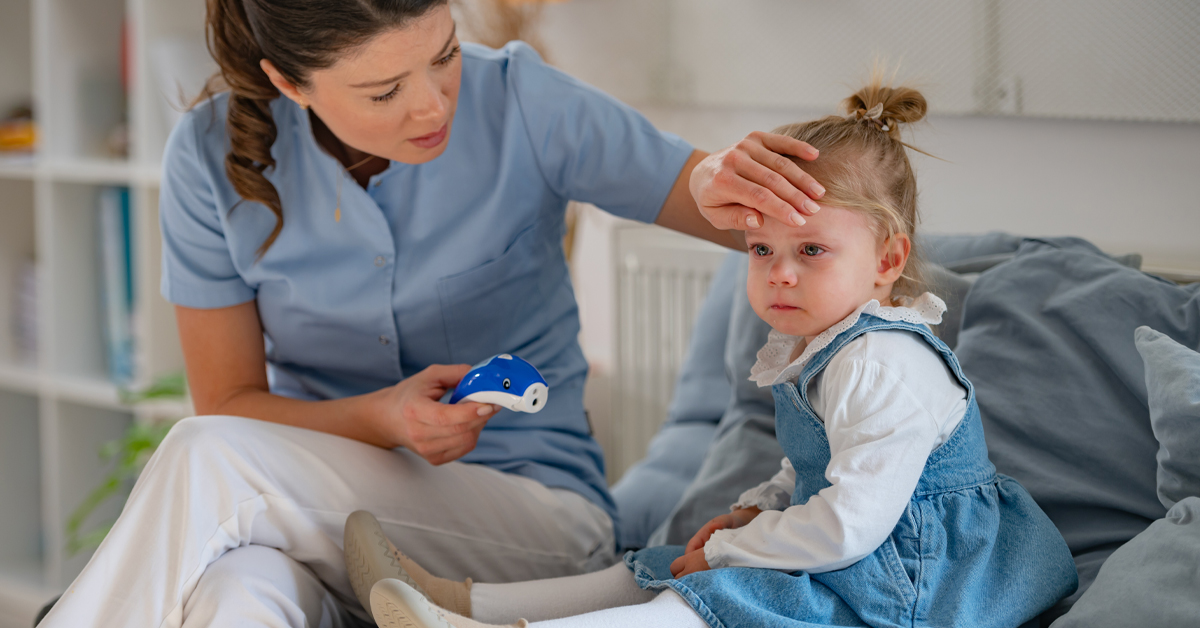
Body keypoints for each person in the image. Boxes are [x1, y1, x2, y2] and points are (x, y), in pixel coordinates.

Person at [39, 1, 830, 626]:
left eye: (445, 54)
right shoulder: (208, 156)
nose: (431, 105)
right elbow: (232, 402)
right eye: (384, 90)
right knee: (237, 597)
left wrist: (724, 185)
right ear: (289, 82)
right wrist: (383, 418)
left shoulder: (522, 99)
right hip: (322, 523)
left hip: (531, 515)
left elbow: (721, 200)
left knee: (208, 458)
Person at [350, 76, 1080, 628]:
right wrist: (754, 511)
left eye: (811, 250)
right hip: (870, 552)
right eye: (762, 248)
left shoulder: (881, 362)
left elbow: (853, 521)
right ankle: (465, 602)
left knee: (720, 591)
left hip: (928, 587)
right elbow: (818, 467)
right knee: (664, 565)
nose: (779, 271)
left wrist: (737, 551)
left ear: (888, 260)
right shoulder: (823, 347)